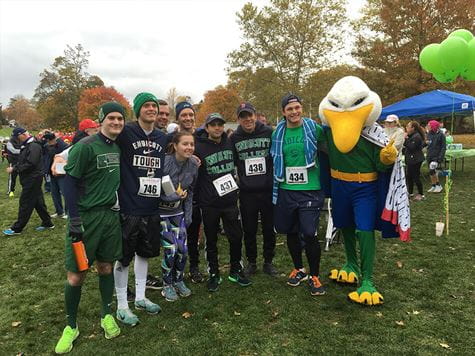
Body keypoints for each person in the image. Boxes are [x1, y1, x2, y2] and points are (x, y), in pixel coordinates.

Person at [54, 102, 125, 354]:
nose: (116, 122)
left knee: (105, 266)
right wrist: (74, 219)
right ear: (101, 120)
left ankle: (106, 314)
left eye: (120, 119)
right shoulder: (85, 147)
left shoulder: (117, 146)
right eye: (112, 118)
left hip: (109, 217)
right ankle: (71, 326)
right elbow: (69, 184)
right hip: (86, 217)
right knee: (77, 274)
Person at [113, 92, 167, 327]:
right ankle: (122, 305)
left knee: (144, 254)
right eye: (146, 106)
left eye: (154, 106)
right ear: (138, 110)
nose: (151, 109)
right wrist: (61, 157)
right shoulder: (125, 132)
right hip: (128, 205)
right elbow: (97, 139)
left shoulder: (162, 137)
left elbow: (182, 149)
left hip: (151, 206)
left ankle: (142, 297)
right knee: (123, 257)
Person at [270, 94, 325, 296]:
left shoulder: (314, 128)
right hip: (286, 189)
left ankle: (315, 276)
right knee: (291, 231)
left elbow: (330, 147)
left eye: (297, 108)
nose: (294, 112)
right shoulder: (277, 134)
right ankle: (299, 269)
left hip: (310, 188)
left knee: (309, 233)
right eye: (289, 109)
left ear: (302, 109)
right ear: (283, 112)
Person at [194, 112, 251, 292]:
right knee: (211, 240)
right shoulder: (198, 146)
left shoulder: (229, 142)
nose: (217, 128)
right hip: (209, 202)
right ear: (207, 127)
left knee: (236, 237)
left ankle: (236, 269)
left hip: (230, 200)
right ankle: (214, 273)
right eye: (213, 125)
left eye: (220, 124)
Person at [231, 102, 277, 277]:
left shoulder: (268, 132)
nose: (247, 119)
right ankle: (252, 261)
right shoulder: (234, 138)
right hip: (247, 192)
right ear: (239, 119)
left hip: (267, 189)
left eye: (249, 115)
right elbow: (232, 161)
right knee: (249, 229)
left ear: (255, 115)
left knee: (268, 227)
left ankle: (268, 261)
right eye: (243, 116)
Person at [159, 132, 199, 301]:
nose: (189, 147)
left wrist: (188, 215)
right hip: (161, 214)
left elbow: (190, 192)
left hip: (179, 213)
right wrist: (174, 197)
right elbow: (155, 191)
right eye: (185, 144)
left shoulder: (193, 165)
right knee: (171, 250)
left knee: (182, 250)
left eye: (191, 144)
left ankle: (178, 279)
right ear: (175, 145)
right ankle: (166, 284)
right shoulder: (164, 162)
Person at [170, 101, 204, 283]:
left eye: (191, 114)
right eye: (184, 115)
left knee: (193, 232)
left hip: (197, 191)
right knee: (176, 236)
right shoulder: (171, 138)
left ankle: (194, 267)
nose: (188, 118)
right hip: (176, 194)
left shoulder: (201, 136)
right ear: (178, 118)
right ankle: (174, 271)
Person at [3, 128, 54, 236]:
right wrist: (17, 166)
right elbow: (23, 160)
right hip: (31, 178)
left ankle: (17, 228)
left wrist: (15, 169)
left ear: (22, 135)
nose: (17, 139)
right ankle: (47, 222)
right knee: (38, 202)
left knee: (25, 202)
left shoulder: (33, 146)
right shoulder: (27, 145)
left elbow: (31, 163)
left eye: (17, 137)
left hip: (33, 178)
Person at [43, 132, 69, 218]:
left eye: (49, 141)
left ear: (53, 139)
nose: (48, 143)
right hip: (51, 172)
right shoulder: (46, 146)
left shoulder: (63, 145)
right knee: (54, 193)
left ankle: (68, 212)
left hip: (61, 171)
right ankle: (59, 211)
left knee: (65, 192)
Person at [404, 121, 426, 201]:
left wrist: (405, 140)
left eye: (408, 126)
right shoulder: (411, 135)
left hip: (416, 160)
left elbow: (411, 147)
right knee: (409, 176)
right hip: (410, 159)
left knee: (416, 177)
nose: (406, 128)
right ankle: (410, 193)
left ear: (413, 128)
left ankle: (421, 194)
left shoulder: (416, 136)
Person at [426, 120, 446, 193]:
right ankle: (433, 185)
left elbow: (443, 147)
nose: (428, 127)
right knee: (431, 171)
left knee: (432, 170)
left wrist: (439, 158)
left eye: (429, 125)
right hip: (429, 155)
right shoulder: (429, 134)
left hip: (436, 156)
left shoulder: (441, 135)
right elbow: (428, 143)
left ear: (433, 126)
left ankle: (438, 185)